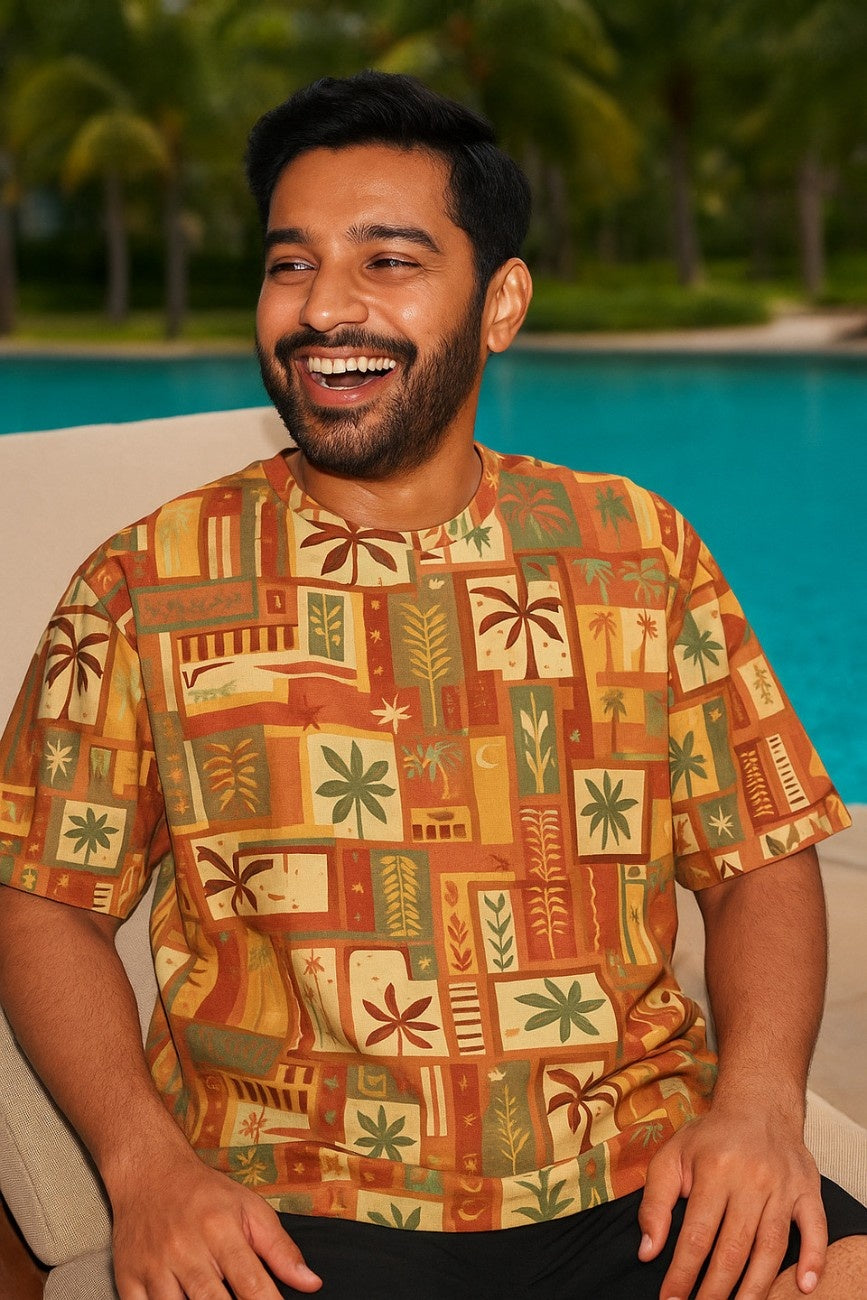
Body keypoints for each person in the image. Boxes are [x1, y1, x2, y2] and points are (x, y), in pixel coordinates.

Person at [0, 70, 865, 1300]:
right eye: (290, 264)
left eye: (389, 262)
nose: (324, 309)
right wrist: (146, 1172)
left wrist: (764, 1102)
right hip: (298, 1214)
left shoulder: (636, 548)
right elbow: (43, 896)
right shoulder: (151, 581)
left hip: (641, 1177)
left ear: (500, 301)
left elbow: (761, 851)